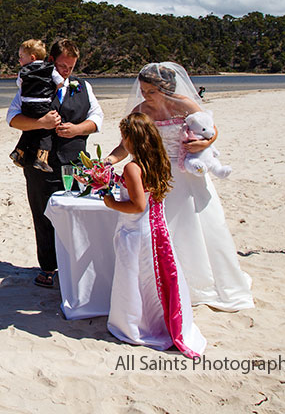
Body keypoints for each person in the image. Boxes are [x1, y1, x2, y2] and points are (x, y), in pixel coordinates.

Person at [104, 62, 254, 311]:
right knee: (168, 229)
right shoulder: (140, 111)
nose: (145, 95)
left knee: (202, 226)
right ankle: (172, 281)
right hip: (160, 173)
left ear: (166, 89)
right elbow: (126, 145)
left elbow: (210, 130)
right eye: (142, 90)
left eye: (151, 91)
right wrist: (108, 160)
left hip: (190, 172)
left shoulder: (185, 105)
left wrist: (205, 145)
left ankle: (205, 284)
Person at [102, 113, 206, 358]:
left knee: (136, 279)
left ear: (131, 139)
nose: (122, 141)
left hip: (137, 230)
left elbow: (137, 205)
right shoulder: (157, 161)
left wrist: (111, 203)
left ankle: (137, 324)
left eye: (123, 137)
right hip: (158, 229)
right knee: (155, 280)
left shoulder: (132, 167)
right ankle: (159, 321)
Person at [7, 39, 104, 288]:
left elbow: (97, 118)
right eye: (61, 66)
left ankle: (78, 266)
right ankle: (48, 268)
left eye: (70, 67)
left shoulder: (84, 87)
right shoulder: (33, 82)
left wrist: (78, 129)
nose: (66, 71)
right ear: (50, 61)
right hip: (40, 164)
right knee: (43, 215)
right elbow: (13, 119)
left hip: (75, 161)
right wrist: (41, 123)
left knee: (78, 214)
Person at [9, 39, 65, 172]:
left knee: (30, 129)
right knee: (46, 131)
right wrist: (53, 90)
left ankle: (19, 151)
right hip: (43, 104)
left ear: (32, 57)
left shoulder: (23, 71)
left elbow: (20, 84)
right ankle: (41, 159)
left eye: (21, 57)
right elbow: (60, 82)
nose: (19, 60)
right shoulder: (49, 68)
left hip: (27, 105)